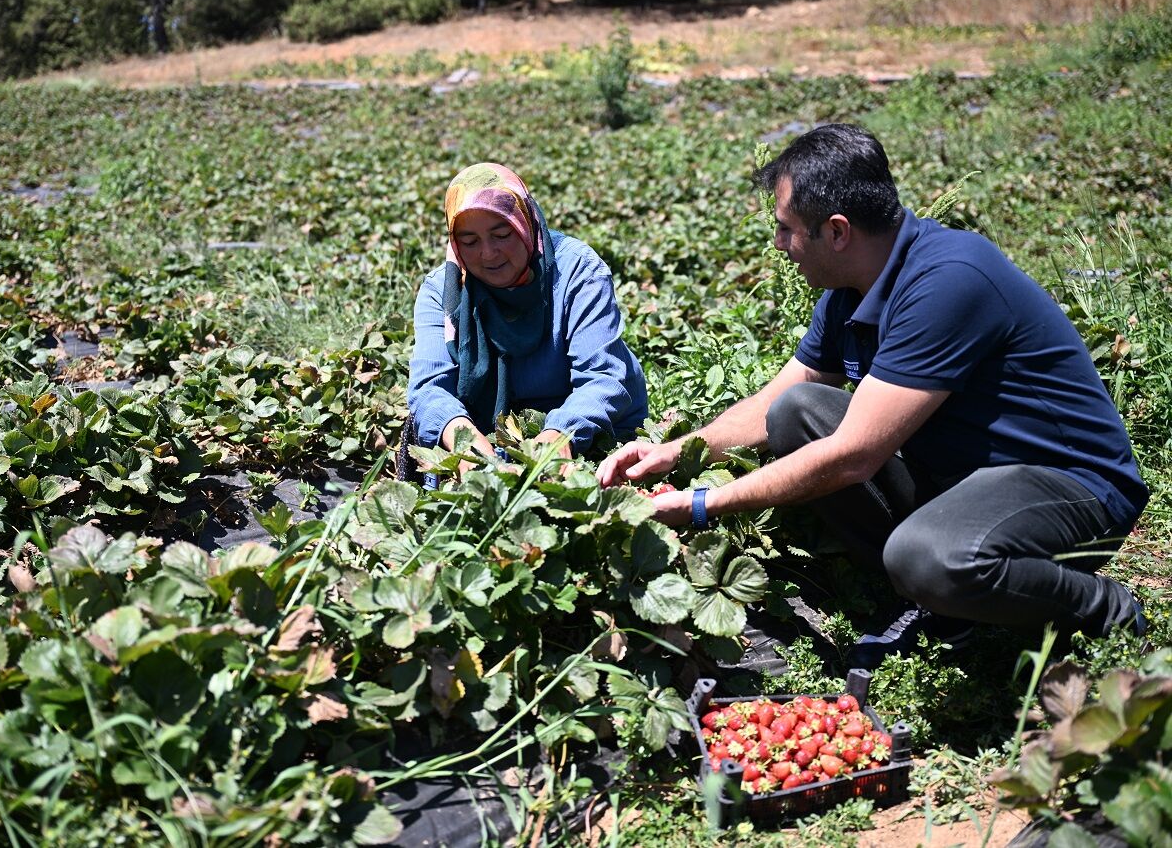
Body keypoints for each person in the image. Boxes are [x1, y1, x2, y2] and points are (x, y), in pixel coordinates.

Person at [596, 124, 1148, 668]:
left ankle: (1103, 607)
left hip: (1069, 486)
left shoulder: (948, 279)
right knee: (797, 413)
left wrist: (700, 506)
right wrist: (675, 450)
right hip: (962, 474)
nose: (779, 244)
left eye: (787, 229)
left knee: (927, 556)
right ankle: (940, 605)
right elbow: (780, 399)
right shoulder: (852, 288)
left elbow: (854, 455)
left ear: (837, 232)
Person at [407, 162, 647, 473]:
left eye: (502, 233)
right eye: (469, 241)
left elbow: (604, 378)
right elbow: (429, 389)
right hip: (487, 438)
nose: (488, 253)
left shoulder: (578, 273)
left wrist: (557, 439)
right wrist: (467, 443)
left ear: (525, 222)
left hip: (593, 435)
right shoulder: (444, 291)